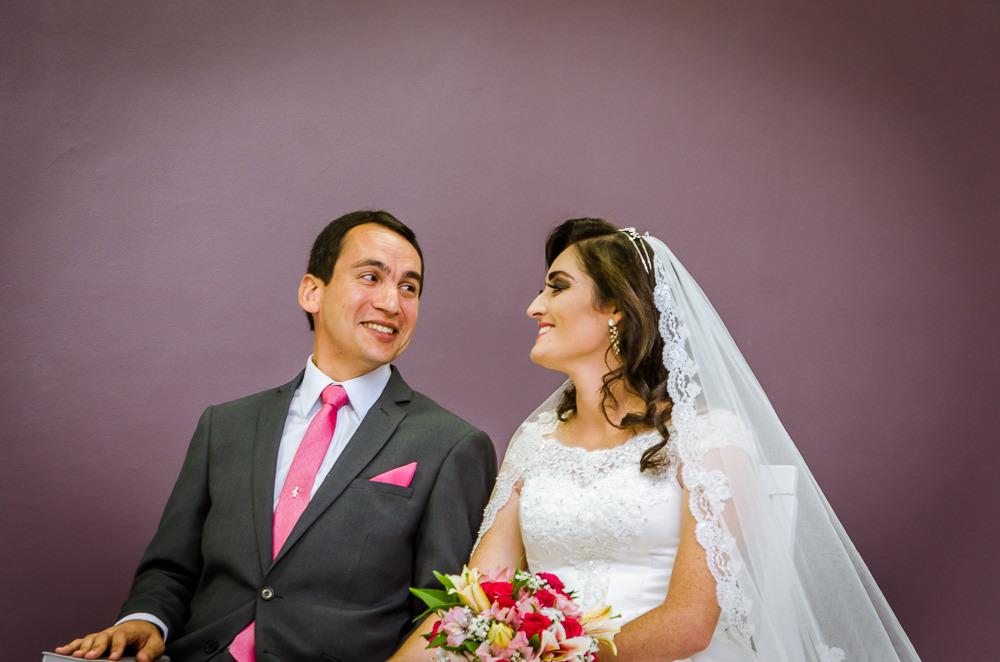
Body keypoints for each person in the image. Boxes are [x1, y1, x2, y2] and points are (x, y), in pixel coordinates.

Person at [393, 217, 919, 661]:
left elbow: (690, 622)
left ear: (616, 309)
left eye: (557, 286)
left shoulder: (709, 440)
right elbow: (475, 600)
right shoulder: (535, 441)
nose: (534, 306)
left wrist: (559, 658)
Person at [56, 210, 498, 662]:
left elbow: (441, 617)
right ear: (312, 292)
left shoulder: (453, 445)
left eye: (409, 287)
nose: (391, 302)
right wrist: (144, 620)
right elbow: (171, 569)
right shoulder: (224, 425)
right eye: (371, 277)